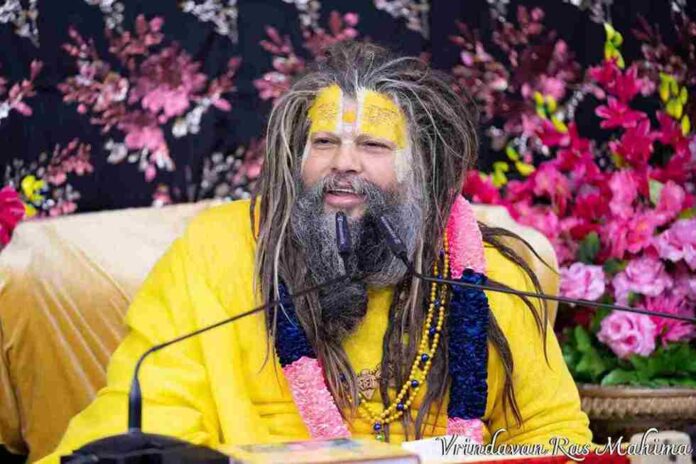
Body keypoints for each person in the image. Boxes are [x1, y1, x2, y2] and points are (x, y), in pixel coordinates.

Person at [38, 41, 591, 463]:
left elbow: (552, 434)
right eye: (324, 142)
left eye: (373, 145)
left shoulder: (484, 273)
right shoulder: (218, 253)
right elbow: (148, 431)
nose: (343, 163)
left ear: (427, 171)